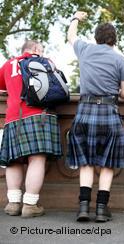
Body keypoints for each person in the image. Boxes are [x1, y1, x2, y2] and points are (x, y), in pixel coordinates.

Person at [66, 11, 124, 222]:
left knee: (86, 163)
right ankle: (100, 209)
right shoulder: (119, 59)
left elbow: (71, 36)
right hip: (108, 112)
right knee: (107, 163)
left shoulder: (85, 50)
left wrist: (75, 19)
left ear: (96, 37)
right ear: (114, 40)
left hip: (85, 111)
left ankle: (82, 208)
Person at [0, 40, 62, 218]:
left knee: (13, 160)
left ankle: (13, 203)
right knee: (37, 159)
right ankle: (30, 204)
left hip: (13, 116)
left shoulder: (9, 64)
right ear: (35, 49)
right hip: (40, 115)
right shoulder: (46, 62)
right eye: (41, 50)